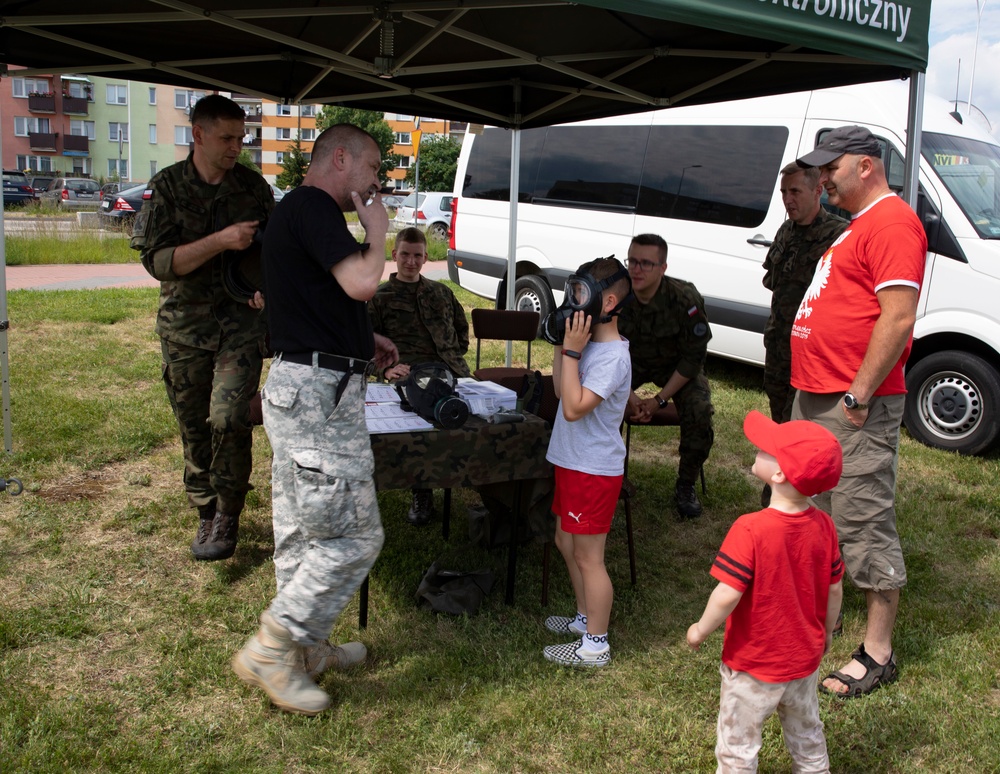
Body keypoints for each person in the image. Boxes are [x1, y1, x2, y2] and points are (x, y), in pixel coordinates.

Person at [232, 123, 398, 715]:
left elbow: (315, 297)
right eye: (373, 166)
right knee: (354, 535)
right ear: (340, 158)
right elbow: (360, 279)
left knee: (302, 529)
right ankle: (275, 646)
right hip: (317, 398)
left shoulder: (297, 211)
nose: (376, 180)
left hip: (305, 384)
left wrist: (361, 337)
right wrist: (376, 234)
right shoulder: (316, 205)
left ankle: (306, 651)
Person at [791, 125, 927, 698]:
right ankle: (825, 615)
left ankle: (877, 653)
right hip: (817, 395)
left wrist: (859, 394)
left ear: (866, 166)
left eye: (832, 167)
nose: (823, 177)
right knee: (816, 512)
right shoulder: (859, 226)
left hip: (851, 405)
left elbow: (898, 318)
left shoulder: (894, 222)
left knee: (863, 519)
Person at [131, 94, 274, 562]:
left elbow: (272, 255)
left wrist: (265, 288)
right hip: (185, 326)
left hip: (241, 324)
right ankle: (205, 509)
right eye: (227, 138)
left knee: (229, 417)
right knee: (193, 423)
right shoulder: (167, 188)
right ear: (198, 135)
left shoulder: (253, 190)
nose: (237, 147)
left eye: (242, 138)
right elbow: (160, 263)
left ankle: (229, 511)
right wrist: (220, 241)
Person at [687, 410, 844, 773]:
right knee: (807, 734)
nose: (758, 447)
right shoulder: (825, 526)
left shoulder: (750, 529)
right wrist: (825, 634)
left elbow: (727, 593)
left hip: (752, 664)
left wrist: (700, 629)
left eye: (766, 447)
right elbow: (834, 590)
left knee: (738, 747)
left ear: (778, 474)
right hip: (803, 660)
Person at [542, 257, 632, 668]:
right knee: (565, 542)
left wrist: (575, 353)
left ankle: (596, 645)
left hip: (593, 470)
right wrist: (564, 344)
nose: (574, 303)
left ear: (608, 301)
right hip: (571, 460)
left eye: (581, 295)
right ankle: (583, 618)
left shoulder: (613, 357)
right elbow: (562, 392)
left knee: (588, 557)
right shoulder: (589, 347)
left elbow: (576, 408)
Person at [369, 226, 471, 526]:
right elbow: (365, 344)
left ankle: (479, 476)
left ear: (426, 257)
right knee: (420, 425)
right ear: (394, 255)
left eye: (417, 256)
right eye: (405, 255)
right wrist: (385, 369)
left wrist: (455, 362)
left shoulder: (441, 293)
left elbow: (461, 332)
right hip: (408, 374)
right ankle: (422, 489)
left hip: (450, 371)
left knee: (477, 416)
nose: (411, 262)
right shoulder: (380, 297)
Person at [617, 233, 714, 519]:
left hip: (676, 368)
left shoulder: (684, 298)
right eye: (632, 261)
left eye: (646, 263)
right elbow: (602, 354)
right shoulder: (617, 295)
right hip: (627, 366)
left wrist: (659, 400)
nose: (636, 269)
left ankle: (686, 484)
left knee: (699, 409)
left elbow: (694, 357)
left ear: (663, 268)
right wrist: (629, 396)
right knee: (598, 402)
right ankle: (609, 475)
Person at [762, 163, 849, 425]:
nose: (788, 200)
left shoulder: (839, 234)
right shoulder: (786, 231)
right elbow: (774, 283)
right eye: (784, 192)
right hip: (778, 344)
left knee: (799, 422)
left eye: (795, 192)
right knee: (779, 416)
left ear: (818, 191)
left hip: (810, 351)